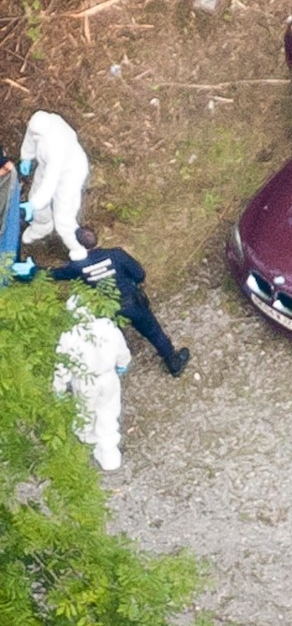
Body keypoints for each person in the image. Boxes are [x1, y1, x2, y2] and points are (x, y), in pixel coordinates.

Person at [50, 227, 191, 377]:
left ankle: (114, 364)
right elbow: (139, 274)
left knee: (113, 336)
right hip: (133, 303)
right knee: (154, 332)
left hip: (107, 310)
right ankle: (173, 363)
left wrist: (32, 271)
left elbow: (56, 274)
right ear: (98, 238)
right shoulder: (116, 254)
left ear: (79, 245)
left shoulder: (78, 267)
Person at [53, 296, 132, 471]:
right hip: (109, 377)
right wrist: (122, 364)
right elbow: (121, 349)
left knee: (85, 411)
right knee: (109, 410)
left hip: (84, 381)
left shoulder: (68, 336)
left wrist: (59, 387)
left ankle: (87, 439)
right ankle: (109, 452)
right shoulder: (107, 326)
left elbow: (62, 366)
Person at [18, 110, 90, 260]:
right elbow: (30, 137)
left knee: (63, 214)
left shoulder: (57, 146)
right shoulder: (43, 123)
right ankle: (42, 226)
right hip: (46, 166)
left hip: (70, 174)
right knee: (35, 194)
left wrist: (34, 204)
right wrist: (26, 156)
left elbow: (51, 181)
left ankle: (77, 248)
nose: (34, 135)